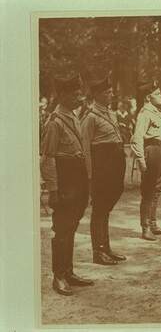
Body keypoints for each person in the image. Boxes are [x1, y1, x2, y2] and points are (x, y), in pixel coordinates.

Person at [40, 74, 94, 295]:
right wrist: (53, 189)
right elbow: (48, 158)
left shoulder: (73, 116)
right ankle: (58, 276)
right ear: (62, 95)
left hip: (77, 178)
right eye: (73, 92)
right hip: (64, 180)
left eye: (78, 91)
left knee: (71, 226)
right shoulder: (55, 122)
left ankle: (69, 271)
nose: (78, 96)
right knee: (62, 228)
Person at [81, 74, 126, 265]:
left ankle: (106, 247)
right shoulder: (90, 116)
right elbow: (85, 148)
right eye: (107, 92)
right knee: (100, 208)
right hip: (102, 167)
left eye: (111, 92)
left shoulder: (110, 113)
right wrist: (89, 175)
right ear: (97, 94)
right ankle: (98, 252)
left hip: (114, 166)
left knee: (106, 208)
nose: (111, 95)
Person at [130, 80, 161, 241]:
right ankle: (145, 227)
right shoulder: (145, 113)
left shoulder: (156, 112)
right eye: (158, 94)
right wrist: (141, 160)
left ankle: (153, 223)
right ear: (148, 97)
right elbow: (137, 138)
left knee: (157, 189)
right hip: (152, 150)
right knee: (148, 191)